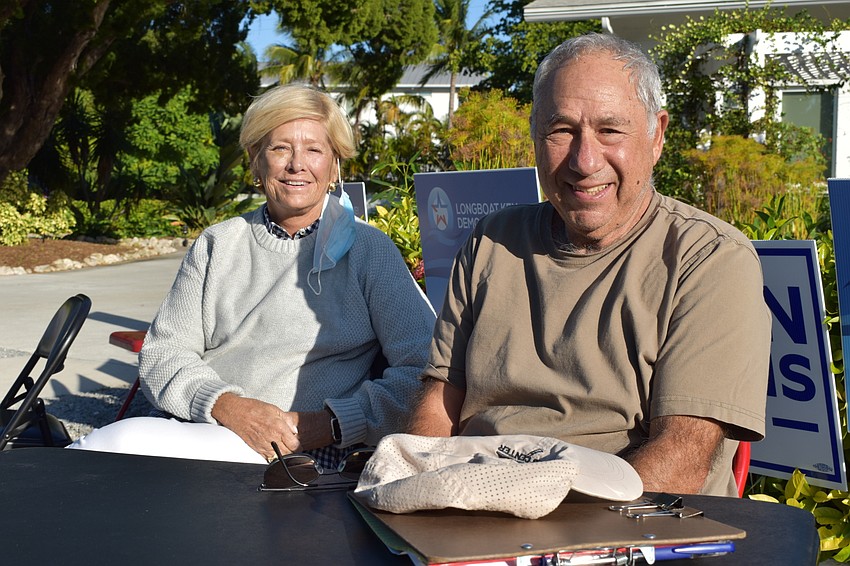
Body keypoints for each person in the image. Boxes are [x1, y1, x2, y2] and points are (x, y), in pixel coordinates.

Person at [407, 33, 771, 496]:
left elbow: (680, 461)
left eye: (610, 130)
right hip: (472, 508)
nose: (584, 160)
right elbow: (439, 402)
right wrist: (419, 493)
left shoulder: (709, 260)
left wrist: (536, 524)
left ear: (656, 135)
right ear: (536, 137)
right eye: (561, 130)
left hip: (622, 527)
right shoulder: (490, 242)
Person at [70, 84, 436, 467]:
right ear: (255, 160)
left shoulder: (368, 250)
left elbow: (427, 370)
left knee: (105, 451)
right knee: (97, 457)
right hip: (207, 427)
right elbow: (164, 353)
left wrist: (333, 423)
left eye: (314, 149)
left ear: (334, 165)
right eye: (280, 148)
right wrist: (226, 405)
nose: (297, 164)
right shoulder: (218, 243)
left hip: (305, 452)